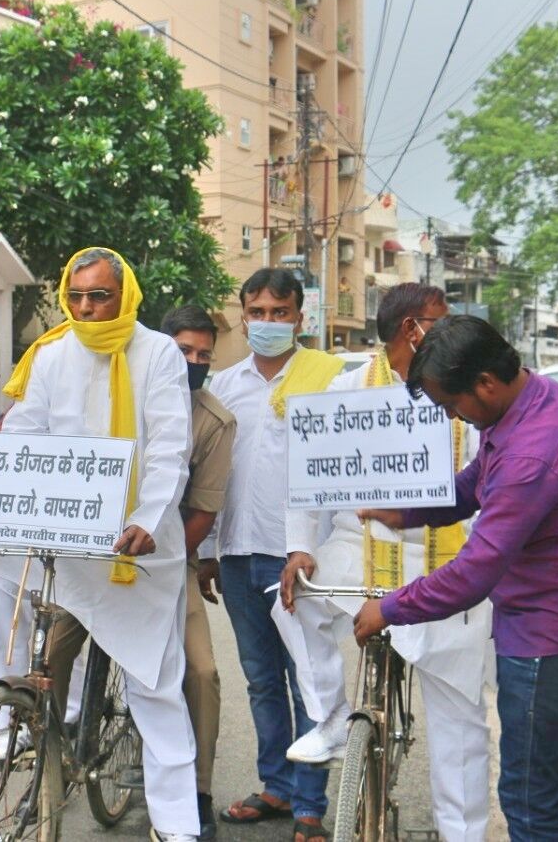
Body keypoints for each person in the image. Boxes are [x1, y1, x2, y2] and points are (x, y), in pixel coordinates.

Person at [352, 314, 558, 841]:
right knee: (541, 791)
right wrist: (408, 511)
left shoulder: (536, 451)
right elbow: (475, 481)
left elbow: (474, 571)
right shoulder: (537, 397)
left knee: (527, 796)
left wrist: (390, 607)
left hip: (546, 641)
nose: (455, 418)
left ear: (485, 383)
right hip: (535, 621)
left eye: (451, 405)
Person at [0, 247, 198, 842]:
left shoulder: (157, 351)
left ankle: (177, 825)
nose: (85, 307)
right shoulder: (51, 353)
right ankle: (32, 793)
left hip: (139, 545)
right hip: (70, 543)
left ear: (125, 295)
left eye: (99, 296)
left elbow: (168, 448)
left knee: (154, 688)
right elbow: (24, 435)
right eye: (75, 296)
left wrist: (148, 518)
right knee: (38, 667)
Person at [273, 284, 493, 842]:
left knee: (460, 723)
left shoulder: (469, 393)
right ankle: (330, 718)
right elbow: (306, 486)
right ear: (410, 330)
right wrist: (301, 545)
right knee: (293, 596)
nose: (450, 334)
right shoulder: (348, 390)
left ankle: (460, 833)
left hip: (443, 559)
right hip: (358, 544)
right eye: (440, 324)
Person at [209, 268, 344, 842]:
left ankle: (311, 802)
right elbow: (211, 473)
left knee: (308, 677)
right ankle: (277, 786)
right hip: (238, 551)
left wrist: (312, 545)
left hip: (299, 556)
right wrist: (206, 551)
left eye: (279, 312)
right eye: (256, 312)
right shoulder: (224, 385)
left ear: (300, 316)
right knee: (262, 679)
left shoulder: (331, 380)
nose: (267, 322)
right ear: (243, 315)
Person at [160, 305, 237, 840]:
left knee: (202, 671)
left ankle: (199, 791)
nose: (194, 361)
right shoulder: (118, 396)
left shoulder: (213, 420)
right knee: (55, 648)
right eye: (184, 350)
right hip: (96, 560)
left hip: (168, 560)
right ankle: (45, 747)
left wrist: (160, 565)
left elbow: (203, 512)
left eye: (204, 354)